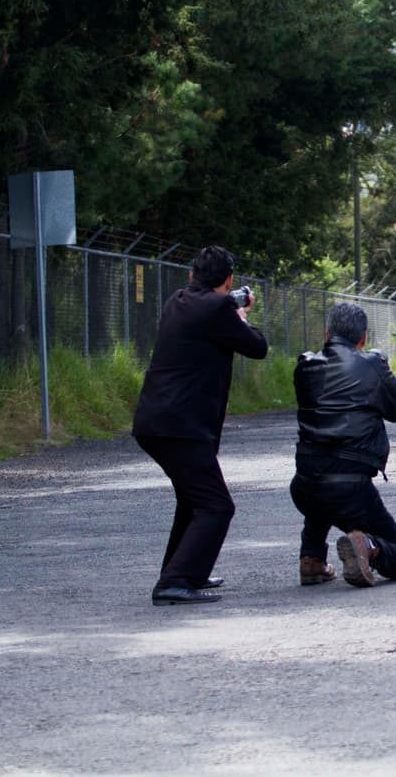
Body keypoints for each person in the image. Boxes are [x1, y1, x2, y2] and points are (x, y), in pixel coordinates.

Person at [133, 245, 269, 606]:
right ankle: (174, 581)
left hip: (156, 420)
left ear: (192, 276)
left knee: (193, 501)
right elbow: (257, 347)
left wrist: (228, 303)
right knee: (216, 505)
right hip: (182, 426)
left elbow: (207, 308)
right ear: (227, 281)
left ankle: (184, 572)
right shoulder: (220, 308)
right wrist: (240, 313)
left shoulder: (177, 300)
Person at [289, 302, 396, 588]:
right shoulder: (371, 364)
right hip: (350, 490)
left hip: (304, 485)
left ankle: (312, 559)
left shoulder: (305, 366)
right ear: (364, 337)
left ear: (326, 333)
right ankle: (366, 545)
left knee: (320, 488)